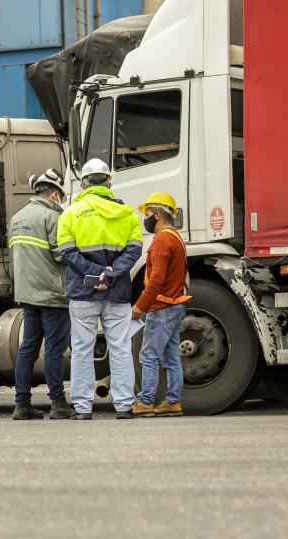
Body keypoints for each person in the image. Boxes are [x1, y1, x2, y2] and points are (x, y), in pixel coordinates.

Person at [57, 158, 142, 420]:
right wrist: (111, 274)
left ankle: (83, 408)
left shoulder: (70, 213)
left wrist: (94, 274)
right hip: (117, 293)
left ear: (83, 183)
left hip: (84, 292)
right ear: (109, 182)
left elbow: (67, 252)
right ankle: (125, 405)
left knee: (82, 350)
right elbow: (135, 250)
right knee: (120, 348)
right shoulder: (127, 213)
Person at [7, 168, 71, 420]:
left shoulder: (16, 218)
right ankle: (58, 404)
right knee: (54, 350)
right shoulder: (52, 218)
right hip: (52, 295)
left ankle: (21, 405)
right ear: (54, 195)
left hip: (27, 294)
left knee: (28, 349)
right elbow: (60, 254)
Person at [131, 192, 191, 417]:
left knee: (148, 355)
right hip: (175, 305)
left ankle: (145, 401)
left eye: (146, 214)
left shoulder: (162, 239)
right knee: (170, 356)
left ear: (157, 215)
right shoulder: (176, 237)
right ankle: (172, 402)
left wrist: (140, 305)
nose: (145, 219)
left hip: (161, 307)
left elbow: (156, 278)